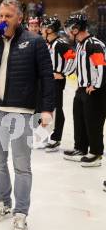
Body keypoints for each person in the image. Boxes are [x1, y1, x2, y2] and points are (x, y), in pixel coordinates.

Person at [0, 0, 54, 230]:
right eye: (0, 16)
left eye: (8, 16)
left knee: (22, 166)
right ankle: (4, 202)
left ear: (19, 18)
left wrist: (47, 109)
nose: (2, 20)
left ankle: (21, 213)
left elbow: (47, 77)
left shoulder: (34, 42)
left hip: (22, 111)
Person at [63, 13, 106, 167]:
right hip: (81, 89)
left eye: (71, 27)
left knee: (93, 122)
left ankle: (96, 153)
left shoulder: (94, 44)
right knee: (79, 120)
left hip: (94, 91)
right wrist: (64, 73)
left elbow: (101, 66)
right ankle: (80, 148)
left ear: (78, 27)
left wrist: (96, 85)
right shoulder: (79, 44)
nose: (68, 30)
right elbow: (74, 63)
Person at [40, 16, 76, 152]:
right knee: (46, 107)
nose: (41, 30)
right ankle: (45, 136)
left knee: (57, 108)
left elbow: (74, 59)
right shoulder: (48, 43)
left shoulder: (60, 44)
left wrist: (63, 73)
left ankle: (56, 138)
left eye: (44, 27)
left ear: (49, 29)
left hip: (56, 81)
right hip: (47, 80)